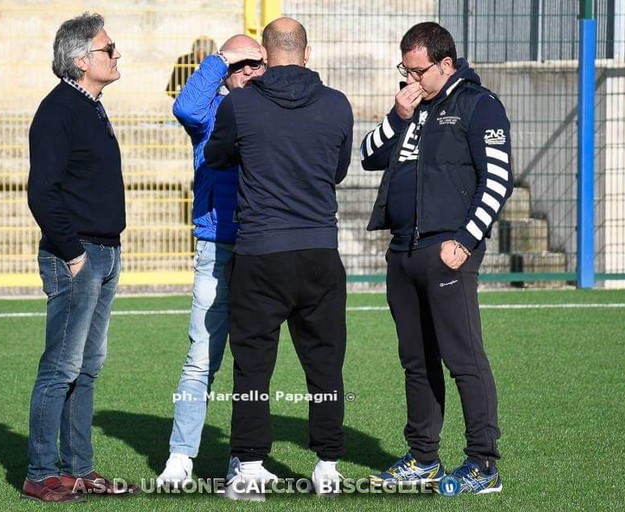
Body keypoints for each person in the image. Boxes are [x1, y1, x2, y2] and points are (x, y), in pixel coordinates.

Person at [205, 17, 354, 500]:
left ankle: (249, 467)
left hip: (260, 252)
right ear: (307, 53)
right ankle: (328, 465)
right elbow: (336, 170)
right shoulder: (337, 105)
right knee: (326, 364)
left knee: (252, 365)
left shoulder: (241, 105)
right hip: (318, 251)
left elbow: (218, 156)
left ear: (265, 57)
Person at [361, 21, 513, 495]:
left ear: (445, 65)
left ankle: (483, 464)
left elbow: (498, 180)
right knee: (416, 360)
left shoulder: (478, 105)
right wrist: (396, 114)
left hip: (448, 252)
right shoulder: (410, 107)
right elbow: (368, 156)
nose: (410, 80)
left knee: (463, 358)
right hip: (403, 250)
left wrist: (465, 241)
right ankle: (423, 457)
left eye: (418, 71)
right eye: (404, 70)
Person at [23, 12, 138, 503]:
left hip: (105, 251)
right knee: (61, 367)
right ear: (80, 60)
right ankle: (41, 473)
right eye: (108, 49)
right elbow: (41, 192)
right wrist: (72, 255)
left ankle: (79, 470)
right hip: (79, 255)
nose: (116, 56)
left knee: (88, 367)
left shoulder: (91, 106)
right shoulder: (58, 110)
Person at [155, 34, 266, 488]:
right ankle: (181, 456)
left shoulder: (270, 107)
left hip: (264, 246)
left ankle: (245, 457)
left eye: (254, 63)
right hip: (216, 246)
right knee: (201, 358)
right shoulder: (211, 110)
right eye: (238, 65)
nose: (247, 72)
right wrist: (221, 60)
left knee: (253, 361)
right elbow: (184, 108)